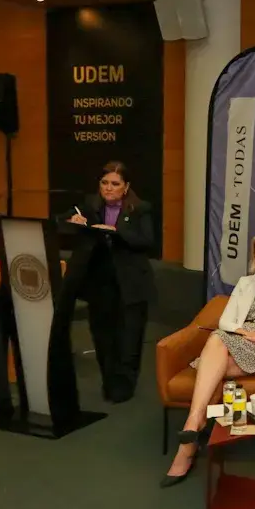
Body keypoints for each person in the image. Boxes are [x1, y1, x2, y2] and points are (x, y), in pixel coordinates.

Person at [161, 229, 255, 487]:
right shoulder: (245, 283)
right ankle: (194, 424)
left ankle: (191, 432)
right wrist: (242, 332)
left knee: (214, 352)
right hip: (239, 339)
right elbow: (226, 321)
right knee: (218, 338)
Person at [60, 161, 155, 404]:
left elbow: (146, 240)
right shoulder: (90, 205)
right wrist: (73, 221)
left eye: (115, 183)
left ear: (126, 187)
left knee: (129, 337)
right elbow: (61, 220)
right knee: (102, 335)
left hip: (130, 283)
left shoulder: (140, 209)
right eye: (104, 183)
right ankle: (110, 381)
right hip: (99, 282)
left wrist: (114, 231)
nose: (108, 188)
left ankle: (125, 384)